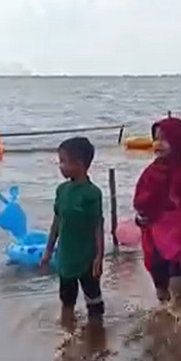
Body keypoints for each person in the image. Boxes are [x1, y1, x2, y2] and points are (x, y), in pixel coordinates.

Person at [41, 136, 105, 326]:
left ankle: (96, 335)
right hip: (66, 257)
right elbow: (57, 221)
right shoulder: (62, 190)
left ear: (79, 164)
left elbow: (98, 225)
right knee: (66, 300)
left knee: (93, 300)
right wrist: (48, 250)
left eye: (63, 161)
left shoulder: (92, 193)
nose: (60, 166)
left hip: (87, 258)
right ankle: (67, 335)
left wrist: (99, 257)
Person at [133, 116, 181, 309]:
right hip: (154, 241)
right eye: (156, 139)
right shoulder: (150, 172)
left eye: (165, 139)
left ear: (178, 142)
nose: (159, 144)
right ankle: (165, 330)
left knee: (180, 296)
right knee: (162, 294)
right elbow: (139, 201)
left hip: (178, 242)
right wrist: (141, 217)